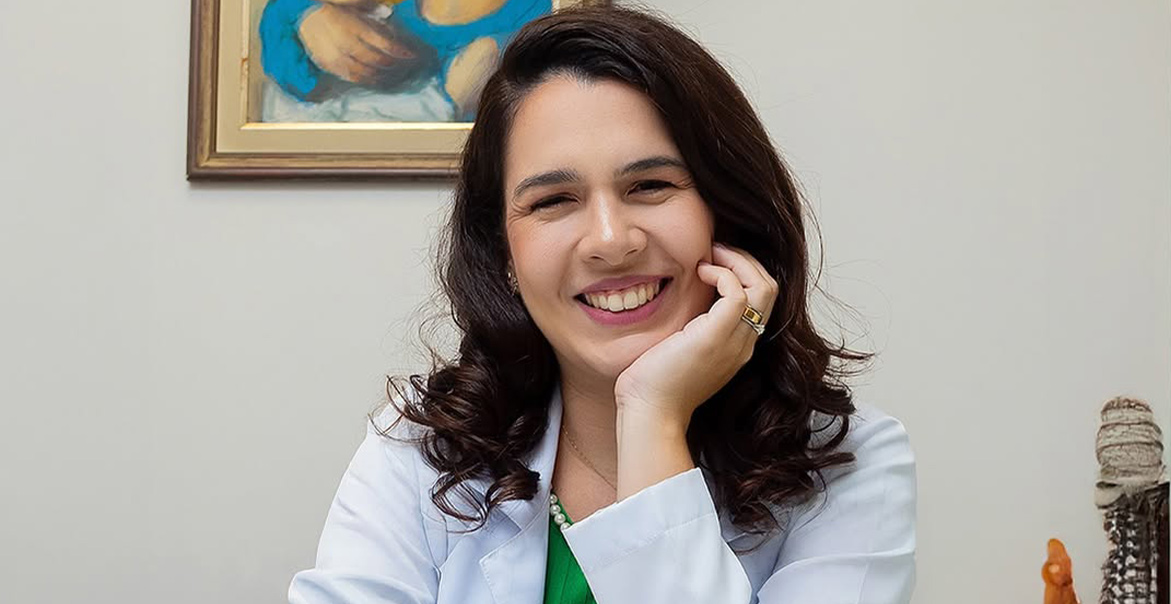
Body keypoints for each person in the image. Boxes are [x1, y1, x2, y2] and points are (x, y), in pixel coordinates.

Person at [288, 6, 916, 604]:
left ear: (728, 214)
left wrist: (652, 416)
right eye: (553, 201)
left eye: (651, 185)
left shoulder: (850, 462)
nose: (612, 241)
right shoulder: (420, 446)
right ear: (504, 252)